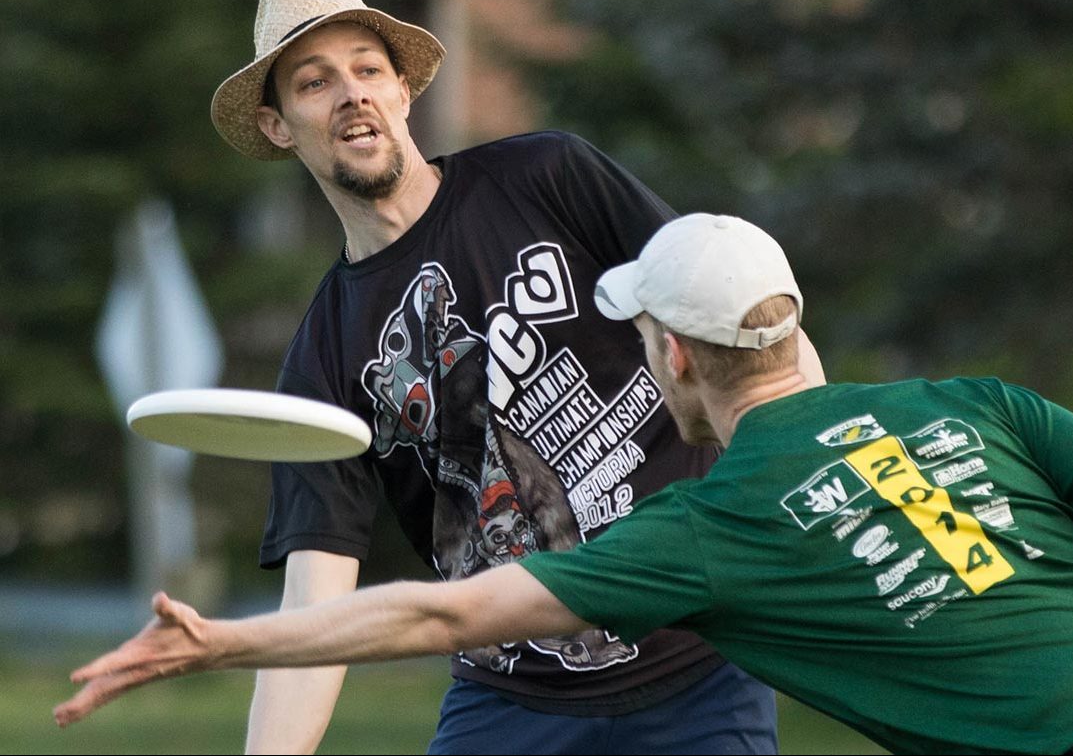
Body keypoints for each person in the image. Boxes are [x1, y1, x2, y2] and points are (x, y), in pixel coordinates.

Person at [54, 213, 1073, 754]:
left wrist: (220, 642)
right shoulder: (976, 404)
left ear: (671, 357)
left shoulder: (709, 530)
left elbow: (439, 616)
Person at [196, 0, 812, 755]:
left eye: (367, 69)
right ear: (279, 126)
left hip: (695, 669)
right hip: (511, 702)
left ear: (403, 92)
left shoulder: (548, 177)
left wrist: (820, 472)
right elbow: (314, 591)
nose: (351, 94)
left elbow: (749, 321)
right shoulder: (325, 357)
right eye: (315, 83)